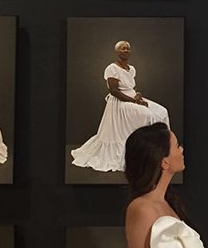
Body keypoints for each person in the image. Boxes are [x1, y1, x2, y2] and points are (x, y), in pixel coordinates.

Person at [71, 41, 169, 172]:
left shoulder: (131, 69)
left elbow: (131, 87)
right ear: (117, 52)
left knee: (162, 111)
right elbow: (114, 91)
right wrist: (134, 101)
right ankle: (143, 148)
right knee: (148, 115)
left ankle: (159, 148)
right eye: (123, 48)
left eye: (128, 48)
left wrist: (138, 95)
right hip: (120, 102)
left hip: (133, 98)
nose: (126, 50)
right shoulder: (112, 68)